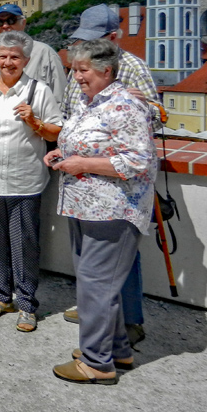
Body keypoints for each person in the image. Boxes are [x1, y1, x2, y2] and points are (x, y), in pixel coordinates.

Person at [45, 39, 156, 384]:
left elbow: (139, 161)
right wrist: (61, 156)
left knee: (96, 286)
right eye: (73, 70)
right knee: (97, 283)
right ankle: (117, 350)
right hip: (84, 205)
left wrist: (82, 162)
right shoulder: (89, 102)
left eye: (83, 70)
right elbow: (78, 139)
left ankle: (96, 363)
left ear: (106, 70)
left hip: (113, 209)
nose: (76, 77)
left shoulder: (124, 106)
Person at [60, 4, 158, 347]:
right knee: (92, 267)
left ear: (113, 38)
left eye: (93, 40)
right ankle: (99, 313)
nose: (82, 49)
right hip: (84, 193)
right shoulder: (82, 68)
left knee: (118, 262)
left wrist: (143, 103)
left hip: (116, 193)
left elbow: (152, 121)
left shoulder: (131, 68)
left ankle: (128, 323)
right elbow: (73, 112)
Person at [0, 31, 62, 332]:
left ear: (26, 60)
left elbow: (54, 132)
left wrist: (35, 121)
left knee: (24, 244)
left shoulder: (38, 91)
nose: (8, 62)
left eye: (15, 57)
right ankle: (2, 296)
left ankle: (28, 304)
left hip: (23, 181)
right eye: (3, 56)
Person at [0, 4, 66, 101]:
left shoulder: (45, 53)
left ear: (23, 23)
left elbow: (60, 97)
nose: (5, 26)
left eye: (11, 20)